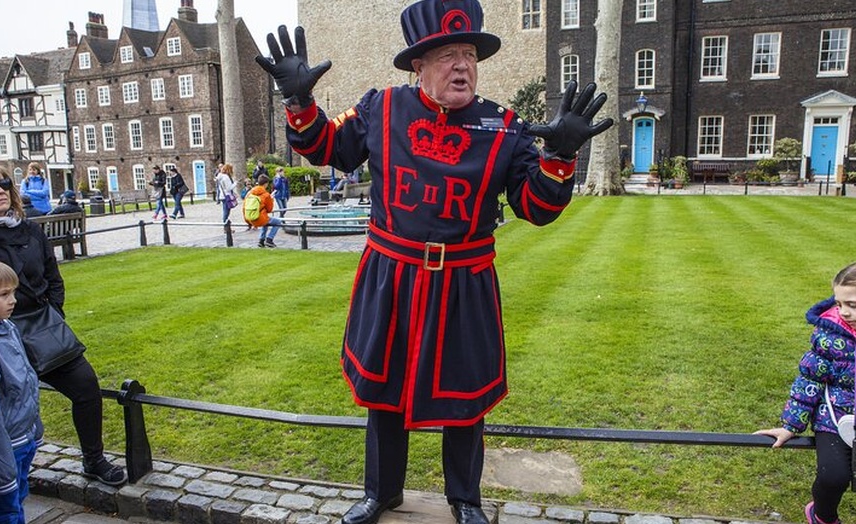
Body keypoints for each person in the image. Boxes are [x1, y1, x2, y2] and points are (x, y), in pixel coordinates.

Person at [256, 1, 612, 523]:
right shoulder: (382, 108)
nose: (462, 65)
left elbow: (536, 207)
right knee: (384, 390)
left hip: (465, 282)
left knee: (465, 399)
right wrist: (298, 98)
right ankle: (382, 493)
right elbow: (323, 146)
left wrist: (559, 158)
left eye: (469, 53)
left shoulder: (504, 126)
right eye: (447, 55)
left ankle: (465, 500)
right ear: (417, 66)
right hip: (392, 277)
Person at [0, 165, 127, 488]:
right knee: (5, 409)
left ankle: (93, 459)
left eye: (4, 184)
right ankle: (7, 475)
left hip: (41, 326)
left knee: (86, 385)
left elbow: (53, 278)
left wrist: (53, 314)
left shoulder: (31, 231)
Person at [755, 262, 856, 524]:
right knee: (832, 476)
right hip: (834, 416)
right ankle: (821, 515)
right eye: (839, 303)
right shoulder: (829, 334)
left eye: (853, 305)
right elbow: (808, 380)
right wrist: (791, 425)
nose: (845, 312)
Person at [0, 259, 43, 524]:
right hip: (3, 443)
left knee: (19, 494)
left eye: (13, 293)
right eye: (3, 295)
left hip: (22, 434)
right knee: (3, 507)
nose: (13, 301)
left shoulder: (6, 327)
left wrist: (35, 427)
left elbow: (26, 379)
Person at [245, 174, 281, 248]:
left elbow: (244, 207)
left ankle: (261, 240)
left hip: (251, 218)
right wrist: (271, 199)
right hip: (260, 218)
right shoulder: (266, 194)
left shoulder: (250, 193)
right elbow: (269, 209)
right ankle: (269, 239)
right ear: (266, 184)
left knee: (266, 220)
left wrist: (247, 221)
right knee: (277, 222)